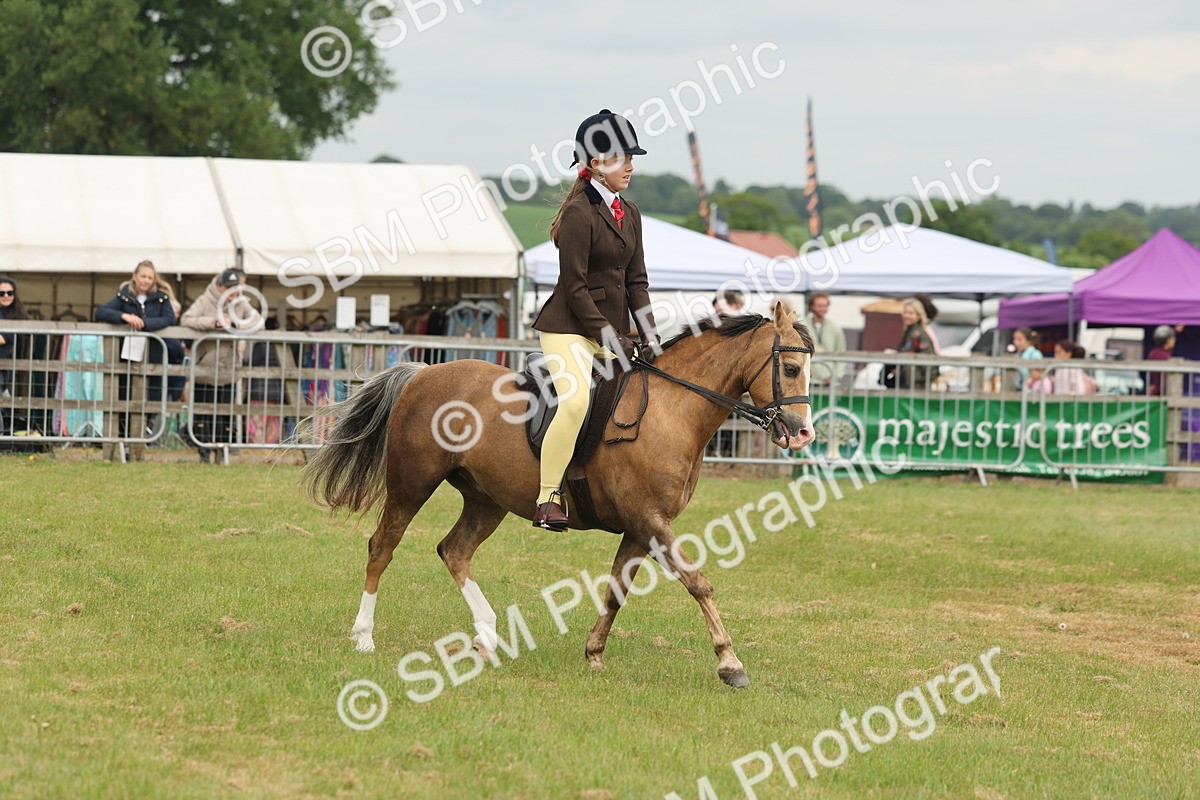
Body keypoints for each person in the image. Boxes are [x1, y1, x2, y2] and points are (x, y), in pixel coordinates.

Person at [529, 108, 657, 530]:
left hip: (612, 334)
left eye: (632, 158)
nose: (631, 166)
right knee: (576, 402)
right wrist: (610, 336)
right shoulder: (578, 215)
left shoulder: (631, 212)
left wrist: (650, 335)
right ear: (595, 164)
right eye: (622, 158)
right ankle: (548, 497)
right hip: (568, 329)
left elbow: (637, 282)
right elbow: (575, 287)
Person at [181, 268, 263, 461]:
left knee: (225, 415)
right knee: (203, 413)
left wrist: (235, 324)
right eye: (228, 287)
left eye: (235, 288)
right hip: (204, 370)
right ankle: (203, 453)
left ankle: (221, 453)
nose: (232, 292)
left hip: (228, 371)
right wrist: (214, 323)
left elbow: (259, 321)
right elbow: (186, 319)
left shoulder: (241, 303)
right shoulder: (205, 300)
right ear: (219, 286)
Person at [95, 261, 179, 435]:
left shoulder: (162, 298)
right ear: (135, 276)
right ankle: (125, 435)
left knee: (153, 395)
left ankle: (145, 433)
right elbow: (101, 311)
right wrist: (124, 316)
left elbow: (170, 319)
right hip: (128, 356)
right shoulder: (124, 296)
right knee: (126, 394)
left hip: (154, 355)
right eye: (143, 276)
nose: (146, 281)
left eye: (150, 277)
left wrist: (144, 324)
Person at [892, 298, 936, 389]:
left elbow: (928, 357)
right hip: (907, 379)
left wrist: (926, 381)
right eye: (905, 312)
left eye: (911, 313)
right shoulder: (908, 333)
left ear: (918, 315)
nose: (906, 315)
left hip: (916, 382)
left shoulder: (919, 334)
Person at [803, 292, 846, 384]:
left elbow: (842, 353)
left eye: (825, 306)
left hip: (829, 382)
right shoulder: (802, 325)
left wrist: (836, 376)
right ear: (811, 306)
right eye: (819, 306)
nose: (823, 309)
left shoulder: (835, 328)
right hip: (807, 380)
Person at [0, 276, 30, 403]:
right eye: (1, 293)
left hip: (3, 367)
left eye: (10, 292)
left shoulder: (17, 316)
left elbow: (2, 339)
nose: (6, 296)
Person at [1147, 325, 1176, 397]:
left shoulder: (1152, 353)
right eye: (1172, 338)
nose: (1174, 340)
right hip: (1162, 392)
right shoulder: (1165, 356)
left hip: (1154, 390)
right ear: (1167, 340)